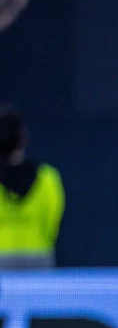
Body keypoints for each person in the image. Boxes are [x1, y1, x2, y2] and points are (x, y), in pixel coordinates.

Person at [0, 106, 65, 268]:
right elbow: (53, 220)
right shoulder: (48, 177)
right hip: (38, 255)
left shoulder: (48, 176)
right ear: (23, 138)